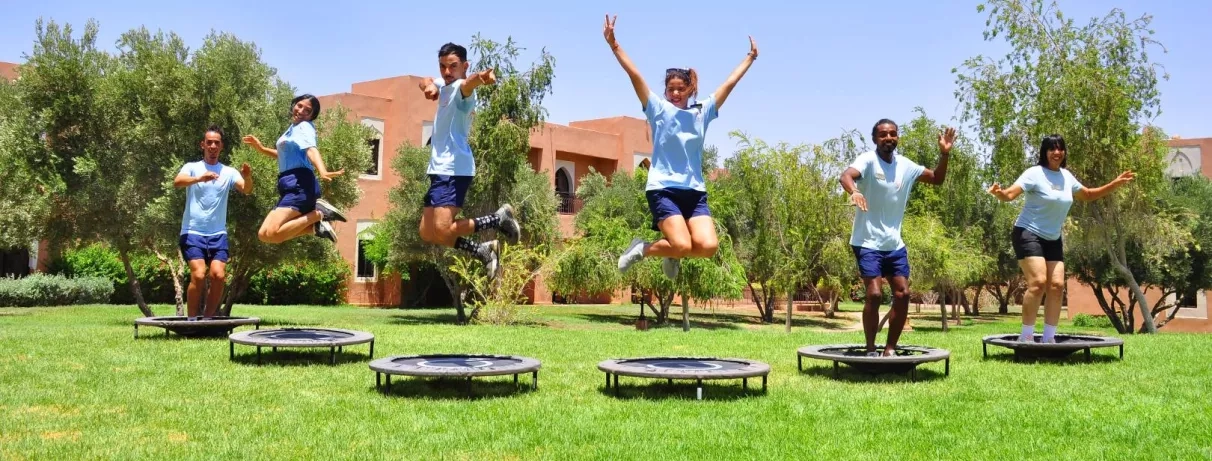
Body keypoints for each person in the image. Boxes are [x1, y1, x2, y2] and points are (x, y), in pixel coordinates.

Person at [607, 14, 758, 280]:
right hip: (663, 188)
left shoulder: (702, 112)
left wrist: (750, 58)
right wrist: (614, 45)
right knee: (682, 245)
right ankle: (642, 248)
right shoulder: (658, 109)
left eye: (680, 88)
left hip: (695, 191)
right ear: (665, 91)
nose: (675, 93)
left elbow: (729, 83)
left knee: (708, 247)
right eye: (670, 89)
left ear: (690, 89)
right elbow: (635, 75)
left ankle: (671, 253)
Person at [988, 134, 1134, 343]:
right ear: (1045, 152)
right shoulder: (1034, 173)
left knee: (1056, 286)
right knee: (1038, 283)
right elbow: (1010, 194)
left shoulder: (1066, 177)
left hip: (1053, 238)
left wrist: (1114, 184)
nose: (1056, 152)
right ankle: (1026, 336)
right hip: (1028, 232)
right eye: (1052, 149)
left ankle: (1049, 338)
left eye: (1060, 148)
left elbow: (1088, 195)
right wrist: (999, 193)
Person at [840, 119, 956, 356]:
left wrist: (944, 154)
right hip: (867, 242)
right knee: (874, 294)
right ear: (875, 139)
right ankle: (870, 348)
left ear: (897, 138)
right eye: (883, 135)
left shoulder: (905, 165)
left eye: (893, 134)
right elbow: (846, 176)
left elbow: (937, 178)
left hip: (894, 244)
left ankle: (890, 349)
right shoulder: (868, 160)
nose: (888, 138)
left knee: (903, 294)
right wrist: (855, 191)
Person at [416, 42, 520, 279]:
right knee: (427, 232)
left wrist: (480, 78)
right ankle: (482, 251)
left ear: (464, 66)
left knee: (443, 228)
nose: (447, 71)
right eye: (443, 66)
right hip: (438, 169)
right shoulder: (444, 83)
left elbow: (468, 84)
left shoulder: (462, 89)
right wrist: (428, 85)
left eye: (453, 66)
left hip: (454, 168)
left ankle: (498, 219)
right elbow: (425, 80)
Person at [241, 94, 346, 244]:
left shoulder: (304, 126)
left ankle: (319, 213)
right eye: (299, 105)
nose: (301, 111)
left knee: (272, 233)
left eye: (307, 110)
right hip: (289, 185)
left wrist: (322, 170)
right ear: (294, 105)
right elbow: (284, 155)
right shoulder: (292, 129)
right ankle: (315, 228)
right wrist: (261, 148)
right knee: (264, 235)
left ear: (311, 116)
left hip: (300, 184)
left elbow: (311, 149)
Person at [173, 125, 253, 319]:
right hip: (193, 232)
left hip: (218, 234)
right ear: (203, 145)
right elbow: (177, 182)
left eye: (216, 143)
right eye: (209, 142)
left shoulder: (228, 172)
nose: (213, 146)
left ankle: (208, 319)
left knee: (219, 275)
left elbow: (246, 189)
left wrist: (248, 177)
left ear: (221, 146)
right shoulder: (192, 167)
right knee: (199, 275)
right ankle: (192, 321)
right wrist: (200, 178)